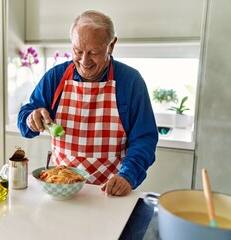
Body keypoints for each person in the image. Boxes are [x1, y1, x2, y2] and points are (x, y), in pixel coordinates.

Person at [17, 10, 158, 196]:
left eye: (94, 52)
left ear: (111, 45)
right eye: (78, 51)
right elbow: (25, 121)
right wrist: (30, 119)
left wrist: (128, 176)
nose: (84, 61)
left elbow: (144, 138)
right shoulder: (55, 77)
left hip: (110, 192)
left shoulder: (130, 81)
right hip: (61, 189)